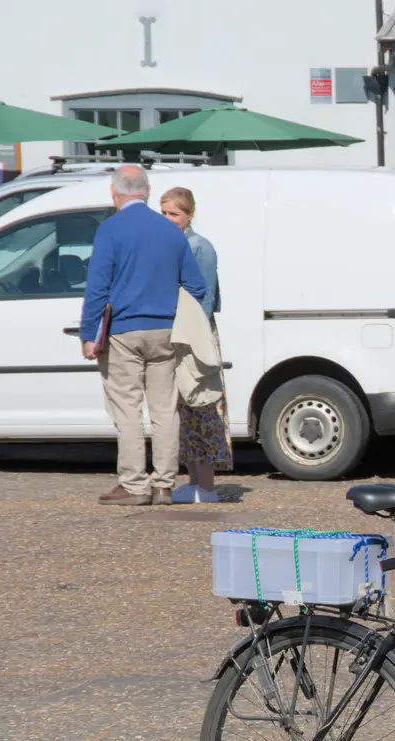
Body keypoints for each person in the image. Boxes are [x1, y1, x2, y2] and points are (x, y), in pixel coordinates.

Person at [81, 166, 209, 506]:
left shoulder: (109, 230)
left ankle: (134, 484)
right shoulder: (171, 232)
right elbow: (197, 286)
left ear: (114, 193)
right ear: (148, 191)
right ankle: (164, 485)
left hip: (123, 330)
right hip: (165, 330)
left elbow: (97, 288)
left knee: (127, 408)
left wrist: (88, 334)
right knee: (165, 410)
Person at [158, 186, 231, 504]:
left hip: (194, 334)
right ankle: (194, 481)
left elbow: (205, 298)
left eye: (173, 213)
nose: (168, 219)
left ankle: (208, 484)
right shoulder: (166, 245)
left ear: (189, 215)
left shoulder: (200, 247)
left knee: (202, 402)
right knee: (184, 410)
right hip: (176, 333)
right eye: (163, 213)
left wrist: (192, 338)